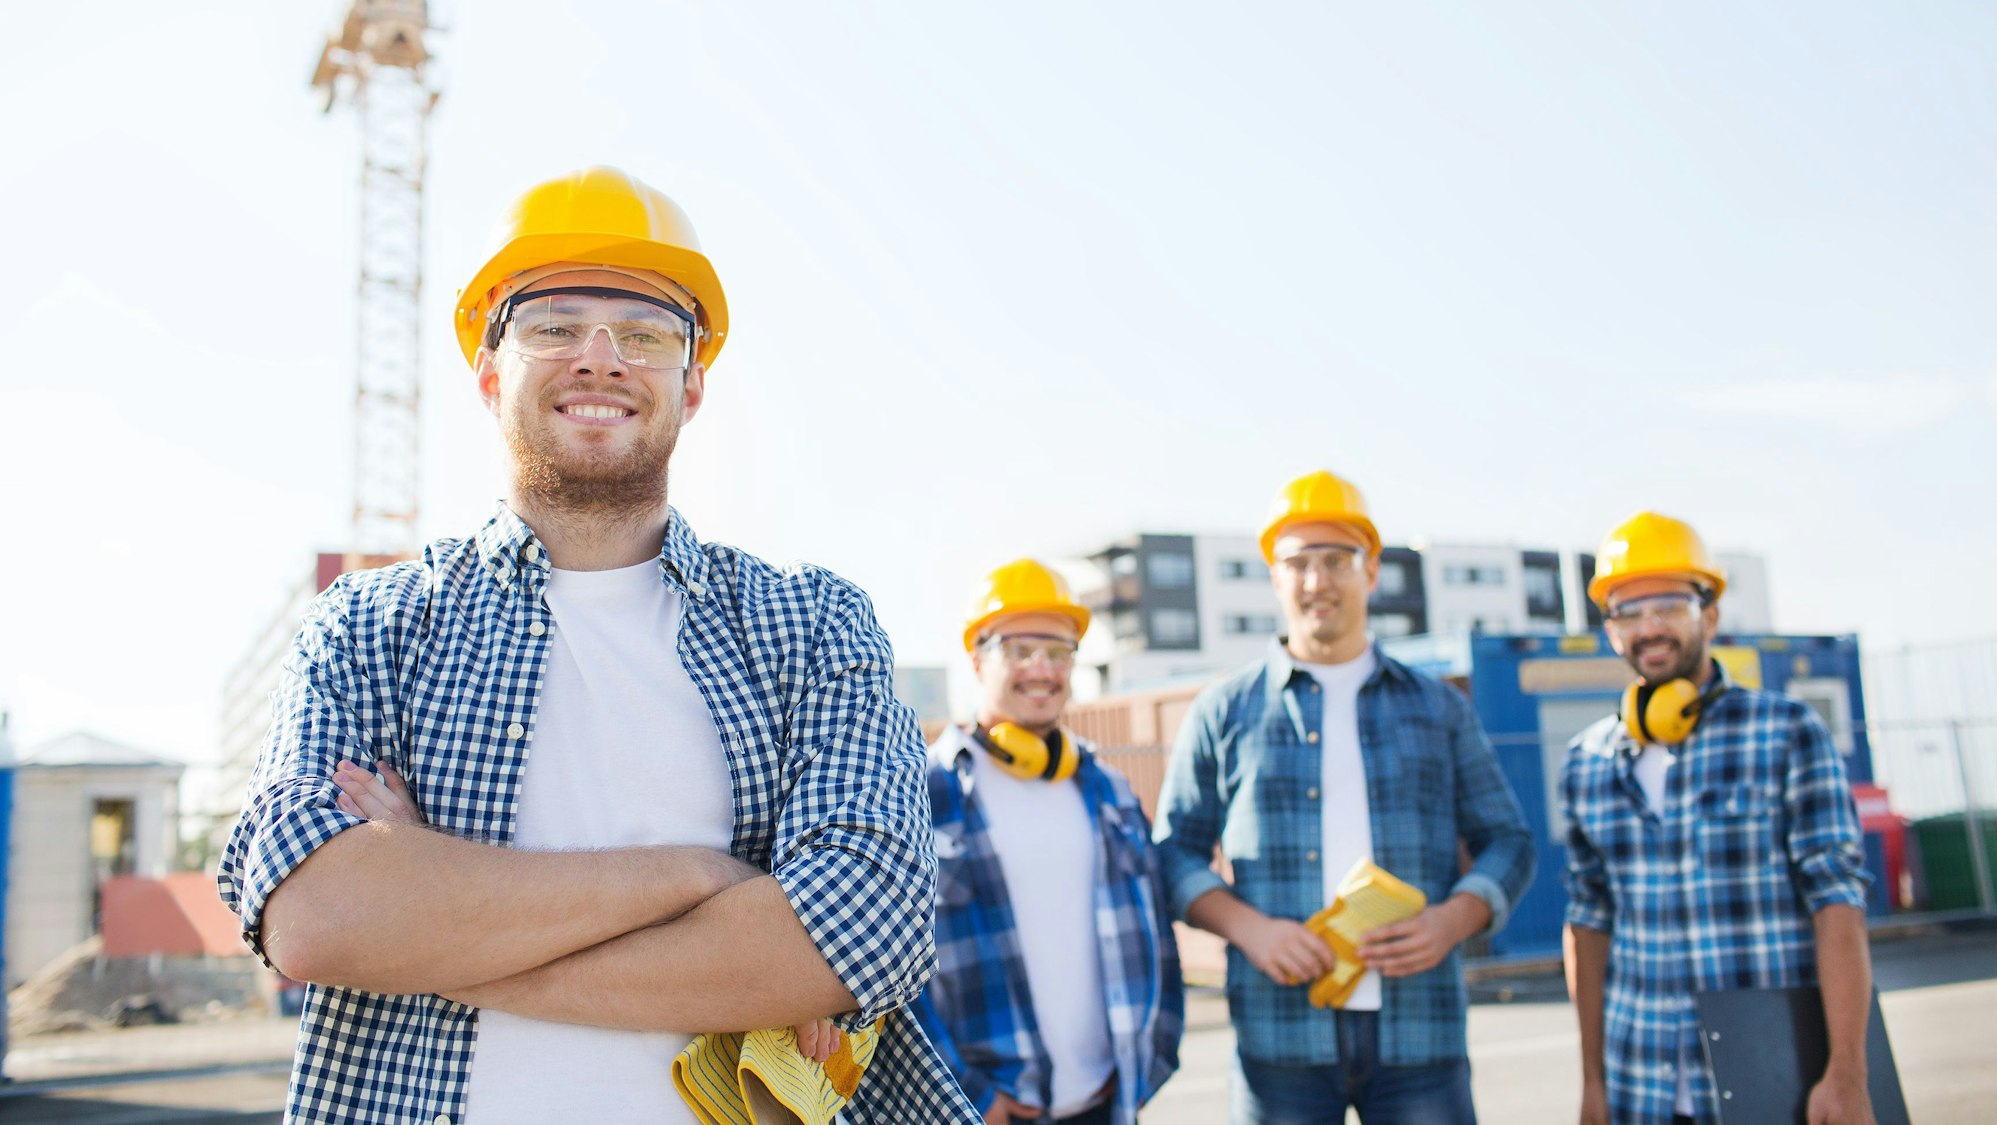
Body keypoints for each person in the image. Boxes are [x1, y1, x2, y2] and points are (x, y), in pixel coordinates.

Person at [217, 165, 976, 1124]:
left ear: (692, 385)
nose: (601, 358)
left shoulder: (813, 624)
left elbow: (861, 934)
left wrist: (432, 927)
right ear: (491, 372)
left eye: (648, 334)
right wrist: (701, 875)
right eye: (554, 325)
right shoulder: (372, 624)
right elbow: (317, 917)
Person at [1152, 469, 1535, 1124]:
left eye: (1337, 559)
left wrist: (1452, 920)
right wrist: (1252, 930)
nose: (1317, 581)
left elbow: (1510, 840)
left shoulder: (1439, 707)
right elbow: (1171, 853)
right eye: (1299, 562)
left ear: (1373, 569)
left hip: (1422, 1029)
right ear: (1275, 575)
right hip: (1280, 1035)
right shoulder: (1224, 709)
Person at [1561, 512, 1874, 1125]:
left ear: (1709, 615)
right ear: (1609, 629)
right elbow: (1588, 924)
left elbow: (1837, 903)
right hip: (1637, 1086)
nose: (1649, 628)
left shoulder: (1786, 733)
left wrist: (1847, 1072)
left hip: (1771, 1080)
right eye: (1627, 610)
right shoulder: (1585, 761)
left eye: (1669, 605)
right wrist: (1592, 1083)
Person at [918, 559, 1183, 1125]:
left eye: (1058, 650)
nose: (1042, 668)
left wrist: (1147, 1060)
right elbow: (883, 976)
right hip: (985, 1113)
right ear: (976, 658)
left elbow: (1154, 934)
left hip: (1107, 1104)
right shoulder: (922, 792)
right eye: (1018, 649)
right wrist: (966, 1094)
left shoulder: (1108, 788)